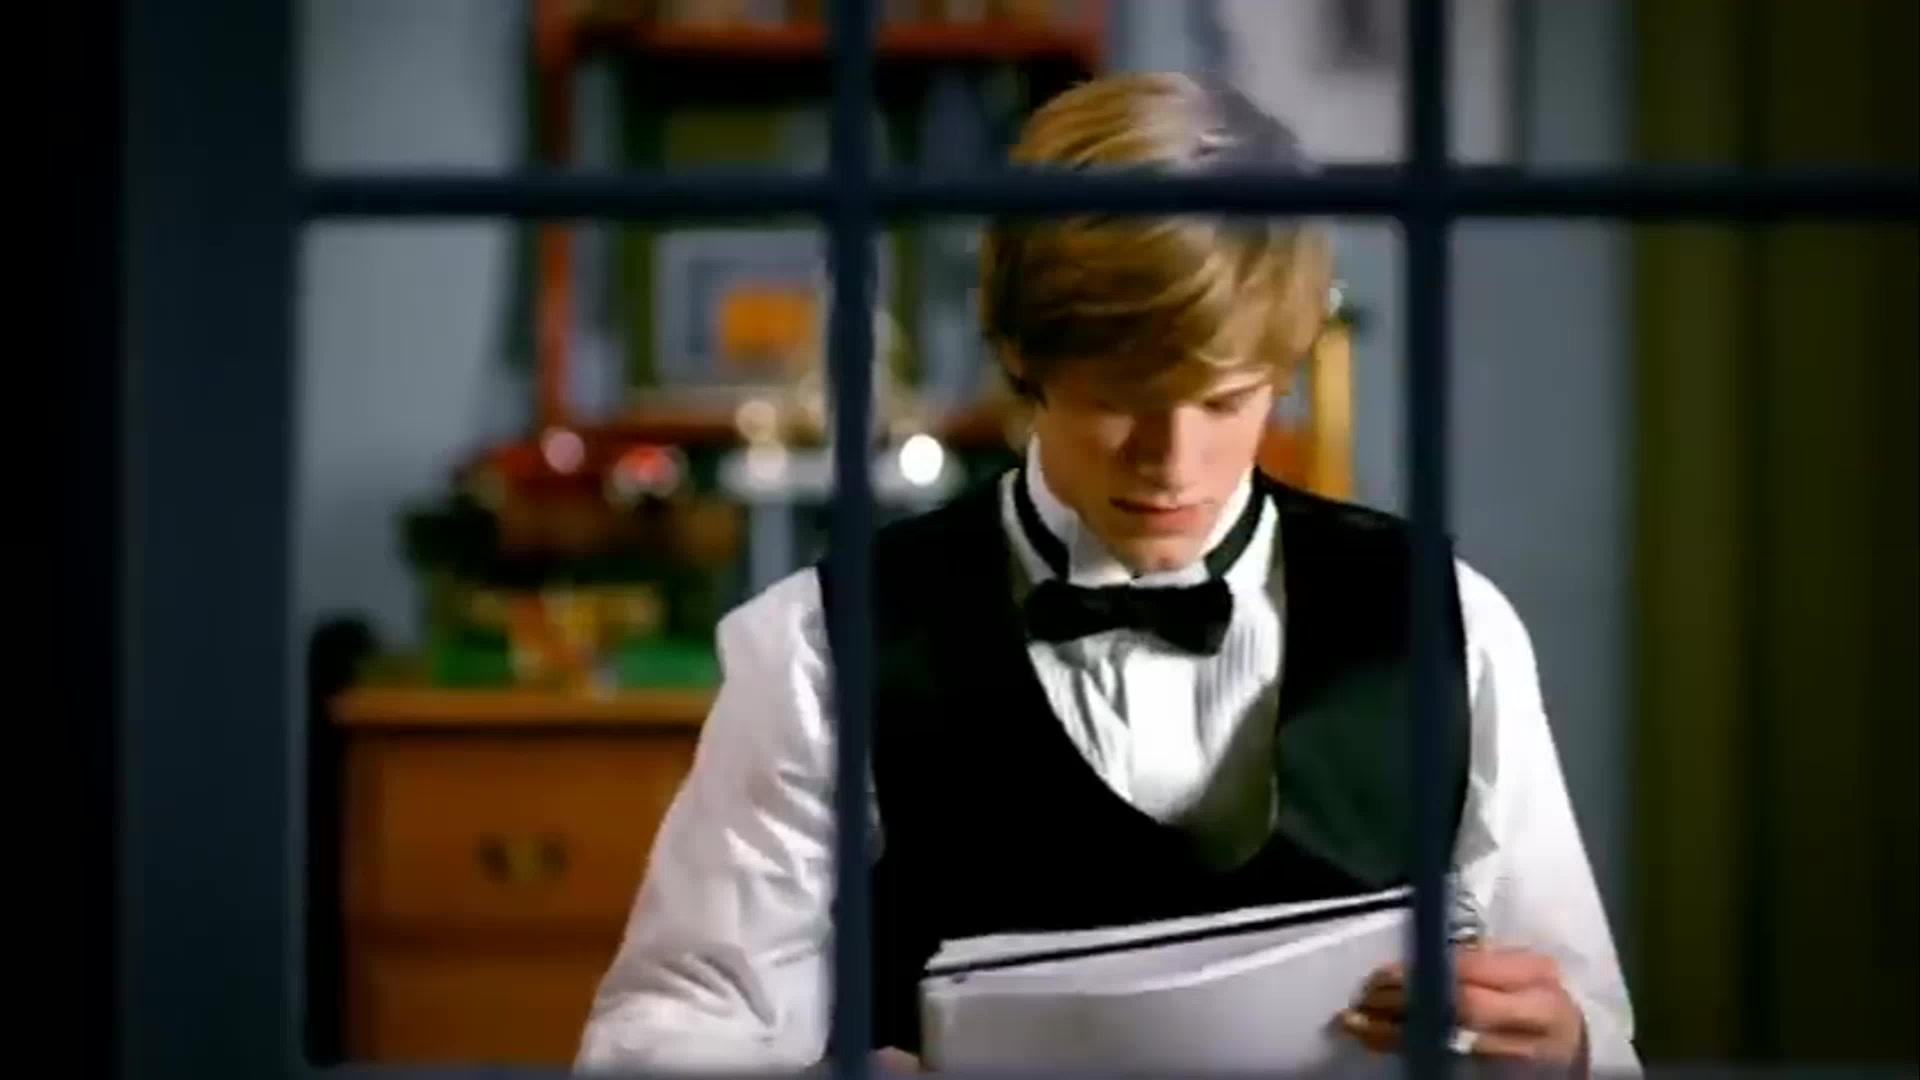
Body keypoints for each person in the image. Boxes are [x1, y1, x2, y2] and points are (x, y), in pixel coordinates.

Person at [577, 72, 1636, 1076]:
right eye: (1118, 398)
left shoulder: (1448, 623)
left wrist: (1567, 1049)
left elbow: (1597, 1033)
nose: (1173, 461)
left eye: (1226, 400)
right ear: (1023, 360)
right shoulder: (823, 651)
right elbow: (657, 1041)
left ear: (1284, 372)